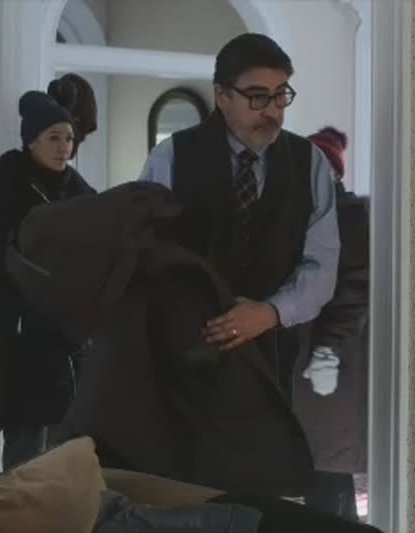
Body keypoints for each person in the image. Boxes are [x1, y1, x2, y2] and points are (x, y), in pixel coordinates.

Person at [137, 33, 340, 401]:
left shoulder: (309, 163)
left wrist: (270, 312)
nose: (273, 111)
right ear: (222, 96)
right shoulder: (171, 158)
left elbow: (322, 265)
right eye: (258, 96)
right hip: (184, 360)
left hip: (271, 360)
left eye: (281, 95)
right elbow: (145, 254)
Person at [0, 88, 96, 471]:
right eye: (54, 138)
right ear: (31, 141)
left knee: (71, 444)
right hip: (21, 330)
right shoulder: (6, 190)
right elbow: (1, 264)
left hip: (72, 334)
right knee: (25, 445)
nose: (64, 147)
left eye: (69, 139)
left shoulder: (81, 192)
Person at [293, 127, 370, 522]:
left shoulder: (350, 215)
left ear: (336, 173)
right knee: (322, 470)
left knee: (326, 468)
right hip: (306, 355)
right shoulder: (298, 214)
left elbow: (356, 287)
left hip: (331, 358)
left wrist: (328, 350)